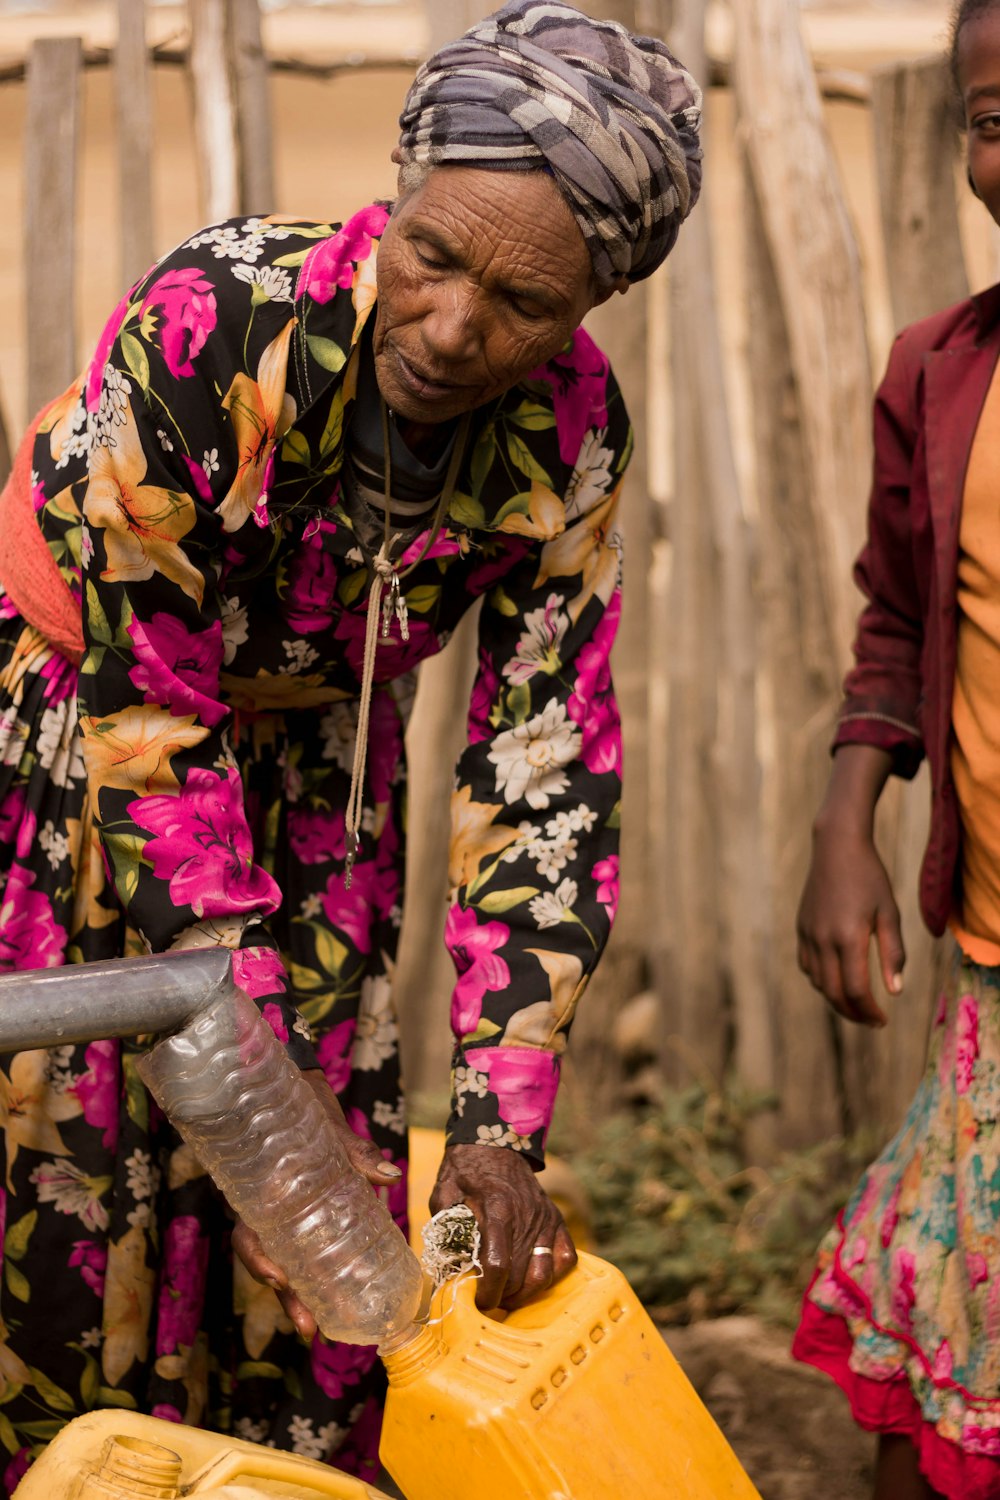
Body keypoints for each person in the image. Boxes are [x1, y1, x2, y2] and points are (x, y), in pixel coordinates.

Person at [0, 1, 701, 1488]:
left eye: (525, 304)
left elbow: (544, 766)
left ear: (597, 302)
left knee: (335, 1225)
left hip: (317, 772)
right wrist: (253, 1042)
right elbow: (146, 700)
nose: (454, 329)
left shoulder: (571, 435)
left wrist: (505, 1114)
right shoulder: (218, 320)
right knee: (87, 1155)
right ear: (397, 194)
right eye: (432, 255)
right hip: (92, 750)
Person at [792, 4, 1000, 1497]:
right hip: (993, 969)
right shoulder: (939, 374)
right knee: (929, 1411)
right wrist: (844, 821)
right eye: (992, 116)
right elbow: (897, 621)